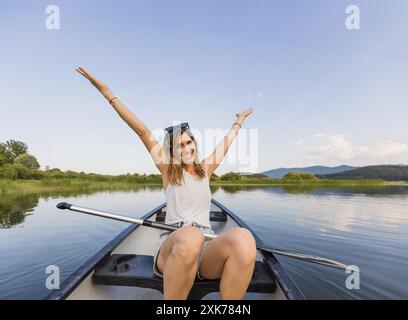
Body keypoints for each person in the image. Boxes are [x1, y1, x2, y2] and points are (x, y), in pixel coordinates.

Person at [75, 67, 256, 300]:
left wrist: (239, 121)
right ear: (171, 151)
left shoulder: (206, 169)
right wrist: (106, 91)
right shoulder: (168, 170)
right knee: (190, 236)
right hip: (173, 246)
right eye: (179, 145)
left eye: (189, 142)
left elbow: (226, 142)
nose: (187, 148)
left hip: (207, 247)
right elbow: (142, 131)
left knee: (244, 238)